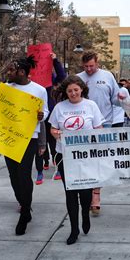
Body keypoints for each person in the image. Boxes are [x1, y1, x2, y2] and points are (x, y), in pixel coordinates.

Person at [0, 56, 49, 236]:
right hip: (8, 136)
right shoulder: (6, 89)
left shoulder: (39, 90)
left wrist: (43, 115)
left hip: (29, 137)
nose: (7, 73)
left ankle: (25, 212)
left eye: (10, 70)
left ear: (21, 72)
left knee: (24, 174)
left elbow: (46, 110)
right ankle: (23, 202)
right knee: (13, 174)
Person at [49, 75, 105, 245]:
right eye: (69, 91)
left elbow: (99, 128)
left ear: (81, 89)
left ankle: (85, 215)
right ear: (65, 92)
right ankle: (74, 229)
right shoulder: (60, 107)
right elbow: (53, 128)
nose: (73, 93)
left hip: (87, 156)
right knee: (71, 192)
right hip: (65, 156)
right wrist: (56, 134)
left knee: (86, 192)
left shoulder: (91, 105)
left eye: (76, 90)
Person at [77, 50, 123, 215]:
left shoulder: (108, 76)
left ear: (97, 63)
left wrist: (122, 98)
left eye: (92, 66)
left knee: (99, 161)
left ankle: (96, 194)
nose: (89, 69)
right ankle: (87, 191)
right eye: (86, 66)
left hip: (105, 124)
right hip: (83, 126)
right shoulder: (78, 78)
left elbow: (115, 100)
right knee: (86, 161)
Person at [34, 52, 66, 183]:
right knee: (40, 144)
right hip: (37, 116)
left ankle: (58, 168)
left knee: (53, 143)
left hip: (51, 115)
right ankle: (40, 170)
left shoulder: (50, 78)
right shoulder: (32, 80)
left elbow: (62, 76)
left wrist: (55, 61)